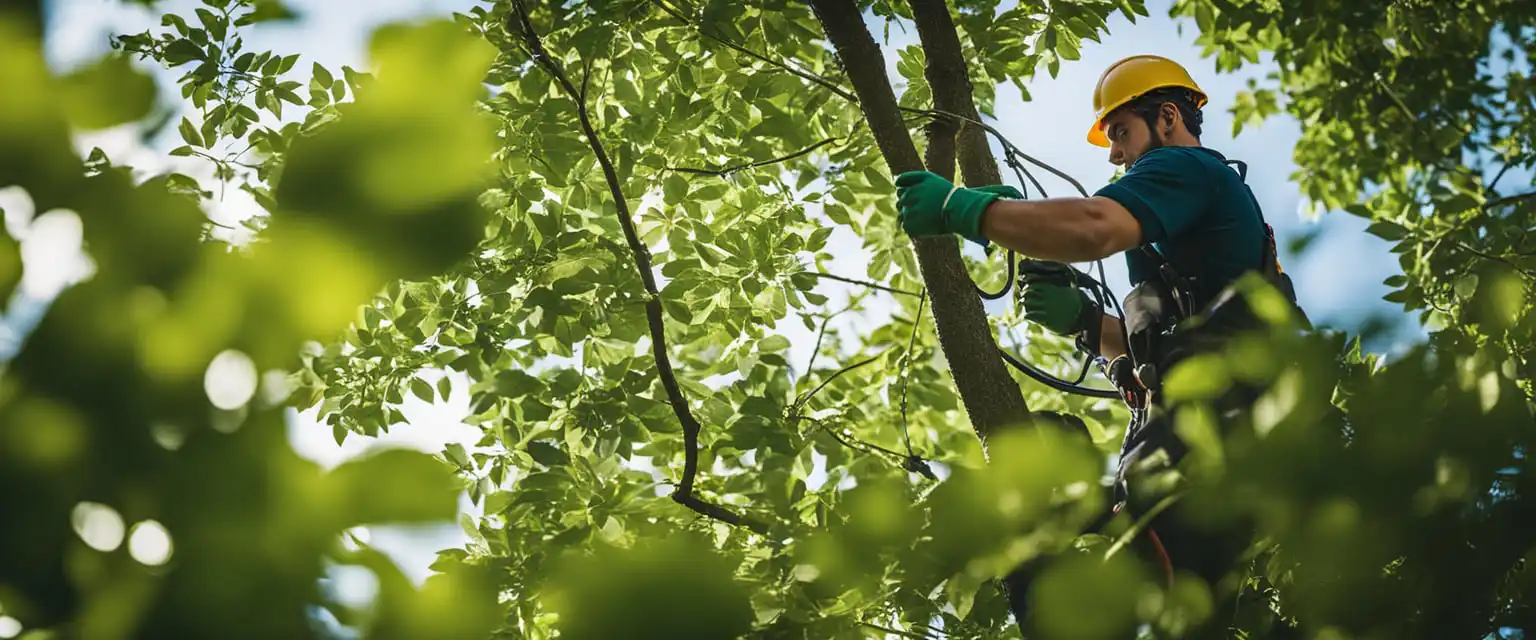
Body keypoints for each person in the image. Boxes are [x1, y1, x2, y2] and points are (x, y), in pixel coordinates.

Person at [892, 54, 1307, 637]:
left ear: (1167, 118)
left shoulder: (1186, 168)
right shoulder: (1189, 249)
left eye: (1121, 133)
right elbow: (1172, 340)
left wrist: (968, 210)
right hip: (1190, 451)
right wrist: (1087, 322)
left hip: (1208, 452)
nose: (1114, 154)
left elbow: (1094, 228)